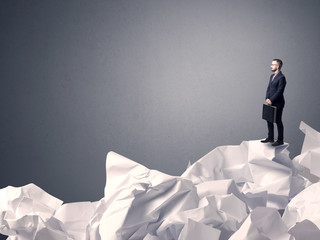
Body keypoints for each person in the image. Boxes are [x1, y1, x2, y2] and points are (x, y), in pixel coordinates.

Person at [261, 59, 286, 146]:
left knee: (278, 121)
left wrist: (271, 100)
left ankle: (280, 140)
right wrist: (267, 98)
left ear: (278, 66)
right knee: (269, 119)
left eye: (273, 64)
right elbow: (269, 88)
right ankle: (270, 137)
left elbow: (280, 91)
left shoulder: (282, 78)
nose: (271, 66)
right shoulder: (272, 76)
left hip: (278, 102)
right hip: (270, 101)